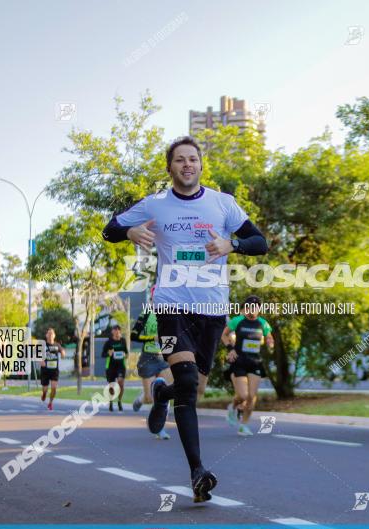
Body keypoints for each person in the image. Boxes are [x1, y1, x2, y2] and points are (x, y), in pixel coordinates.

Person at [103, 136, 268, 502]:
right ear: (170, 167)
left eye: (193, 159)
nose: (187, 165)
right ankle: (197, 472)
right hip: (170, 306)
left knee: (192, 390)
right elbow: (108, 230)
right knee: (189, 377)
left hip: (211, 310)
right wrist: (129, 231)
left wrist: (232, 245)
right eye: (180, 160)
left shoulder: (223, 204)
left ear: (201, 165)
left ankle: (162, 393)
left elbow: (261, 242)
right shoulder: (155, 205)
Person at [221, 296, 275, 436]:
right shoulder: (237, 321)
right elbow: (224, 335)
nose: (252, 310)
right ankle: (233, 407)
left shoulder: (263, 323)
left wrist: (270, 343)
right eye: (249, 307)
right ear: (245, 308)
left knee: (251, 396)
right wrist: (230, 349)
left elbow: (269, 336)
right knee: (243, 395)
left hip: (255, 362)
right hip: (239, 361)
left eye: (256, 307)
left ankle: (244, 426)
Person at [130, 290, 172, 440]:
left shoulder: (171, 313)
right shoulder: (147, 312)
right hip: (148, 357)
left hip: (164, 359)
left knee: (165, 393)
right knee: (150, 398)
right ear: (153, 298)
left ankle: (159, 428)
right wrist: (152, 338)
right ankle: (142, 398)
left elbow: (173, 335)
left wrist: (168, 353)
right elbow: (133, 335)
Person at [101, 325, 128, 411]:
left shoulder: (123, 341)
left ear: (120, 331)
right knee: (111, 387)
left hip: (121, 366)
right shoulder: (108, 342)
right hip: (111, 367)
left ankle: (119, 401)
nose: (117, 331)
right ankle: (111, 401)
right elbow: (102, 354)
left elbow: (126, 353)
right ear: (112, 331)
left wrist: (125, 355)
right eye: (115, 329)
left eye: (118, 330)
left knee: (121, 383)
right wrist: (108, 353)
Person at [39, 328, 65, 411]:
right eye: (49, 333)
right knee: (45, 389)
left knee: (54, 388)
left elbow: (62, 351)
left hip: (54, 370)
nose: (50, 335)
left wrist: (63, 353)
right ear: (46, 335)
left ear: (54, 335)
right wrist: (41, 360)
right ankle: (44, 394)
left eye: (52, 333)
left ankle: (50, 402)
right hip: (45, 370)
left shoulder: (57, 345)